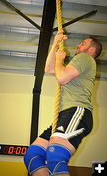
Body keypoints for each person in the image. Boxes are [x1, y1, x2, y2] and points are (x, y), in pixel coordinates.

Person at [24, 31, 102, 176]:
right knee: (32, 156)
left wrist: (60, 59)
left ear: (91, 50)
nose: (78, 45)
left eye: (83, 43)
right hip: (65, 114)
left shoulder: (85, 58)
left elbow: (62, 78)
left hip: (77, 111)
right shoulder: (79, 63)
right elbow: (49, 69)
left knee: (55, 157)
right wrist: (54, 45)